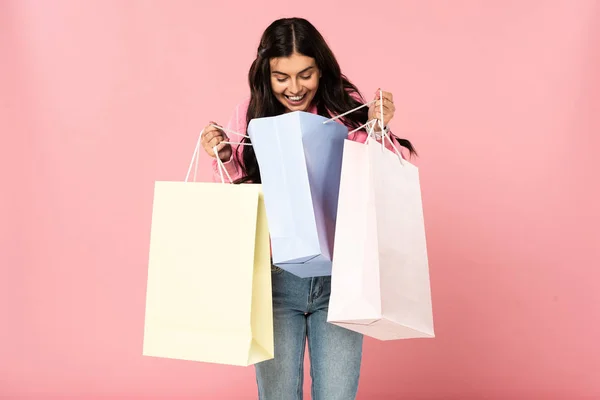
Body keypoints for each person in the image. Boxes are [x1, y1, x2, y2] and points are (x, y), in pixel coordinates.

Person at [200, 17, 415, 400]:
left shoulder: (342, 106)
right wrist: (222, 156)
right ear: (266, 73)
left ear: (321, 68)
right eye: (282, 76)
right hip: (275, 279)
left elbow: (375, 178)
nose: (295, 88)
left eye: (306, 74)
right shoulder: (250, 112)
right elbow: (240, 195)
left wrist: (379, 127)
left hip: (341, 280)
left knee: (337, 394)